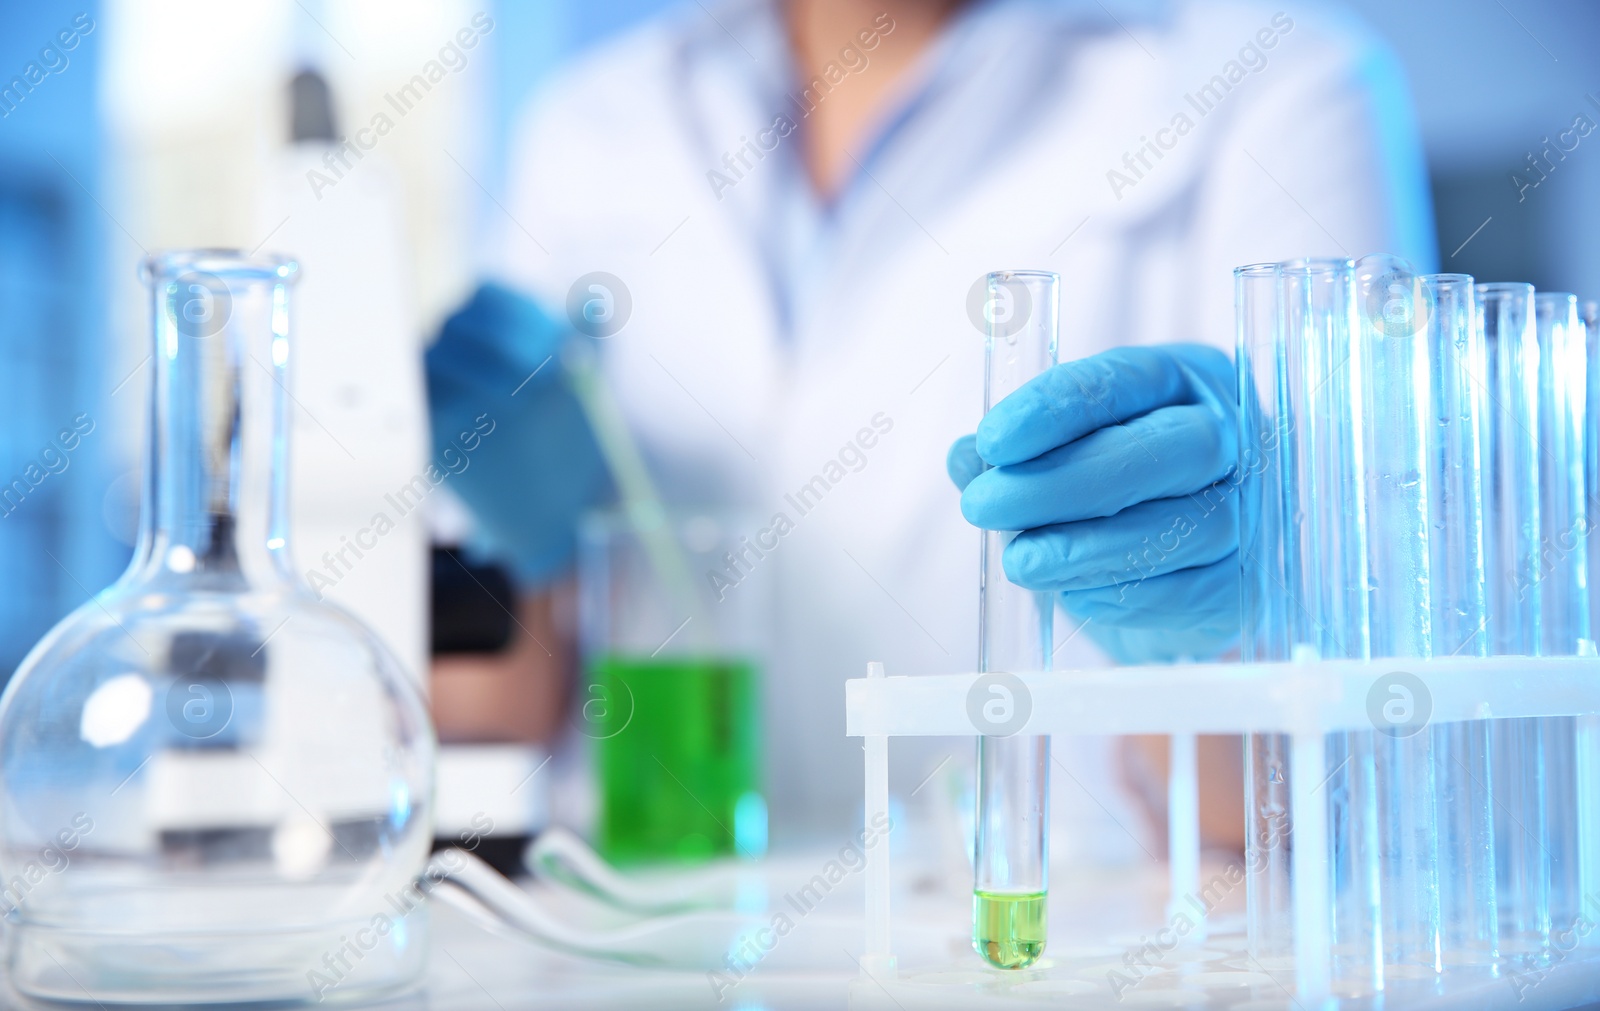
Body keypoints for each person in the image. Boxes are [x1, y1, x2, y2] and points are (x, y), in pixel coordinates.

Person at [426, 0, 1434, 859]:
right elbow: (488, 722)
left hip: (1080, 948)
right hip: (649, 934)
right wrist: (529, 561)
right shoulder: (591, 123)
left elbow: (1360, 775)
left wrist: (1219, 629)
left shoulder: (1277, 82)